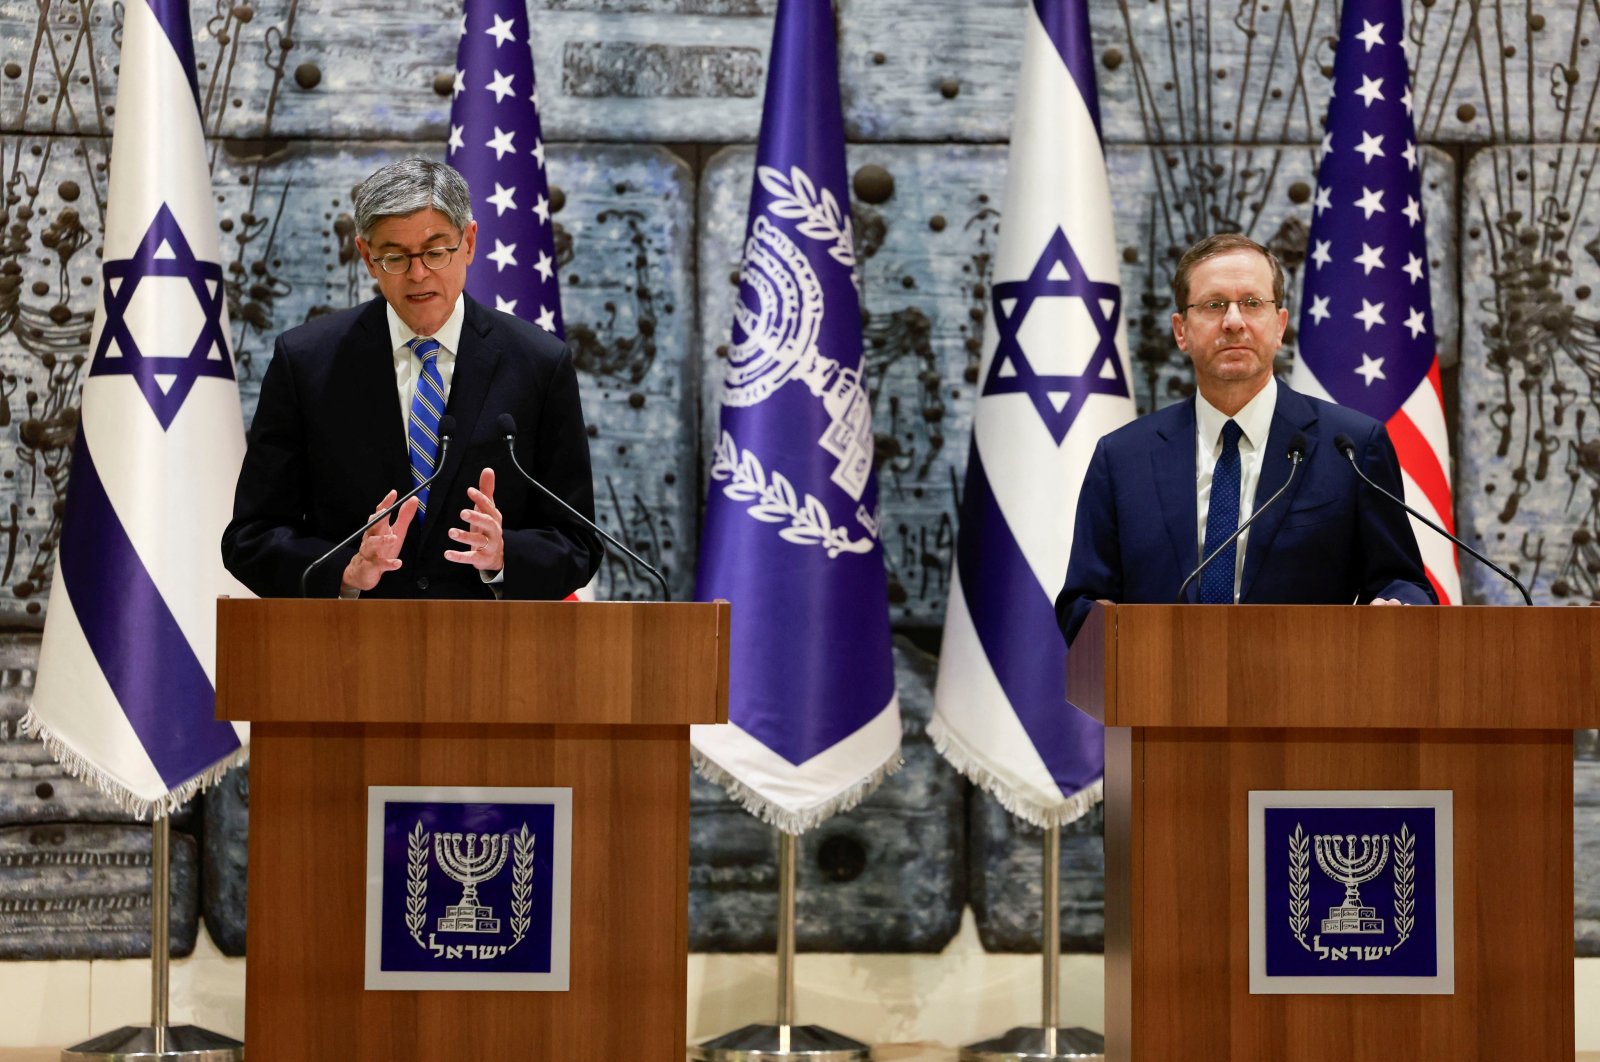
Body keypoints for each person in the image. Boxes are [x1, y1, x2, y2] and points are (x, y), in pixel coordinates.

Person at [222, 158, 601, 600]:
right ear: (367, 257)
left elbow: (579, 541)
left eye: (436, 251)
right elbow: (251, 537)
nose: (418, 274)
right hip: (346, 651)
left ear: (470, 243)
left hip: (495, 653)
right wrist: (343, 570)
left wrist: (504, 555)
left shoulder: (539, 363)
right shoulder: (307, 362)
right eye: (395, 257)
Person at [1055, 233, 1435, 643]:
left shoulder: (1351, 448)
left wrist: (1398, 607)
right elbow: (1082, 600)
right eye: (1214, 305)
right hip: (1161, 693)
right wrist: (1104, 623)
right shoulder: (1122, 458)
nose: (1234, 321)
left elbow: (1403, 582)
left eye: (1252, 303)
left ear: (1279, 326)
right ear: (1181, 331)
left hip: (1309, 692)